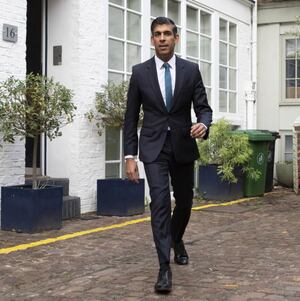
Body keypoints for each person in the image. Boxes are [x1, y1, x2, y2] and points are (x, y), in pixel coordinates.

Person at [123, 16, 213, 293]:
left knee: (185, 203)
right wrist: (130, 156)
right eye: (157, 34)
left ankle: (176, 239)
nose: (162, 38)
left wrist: (204, 124)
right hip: (153, 148)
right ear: (152, 39)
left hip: (183, 146)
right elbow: (130, 118)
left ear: (176, 37)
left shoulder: (190, 70)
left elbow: (203, 108)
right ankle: (164, 268)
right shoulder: (140, 73)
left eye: (167, 34)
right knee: (160, 202)